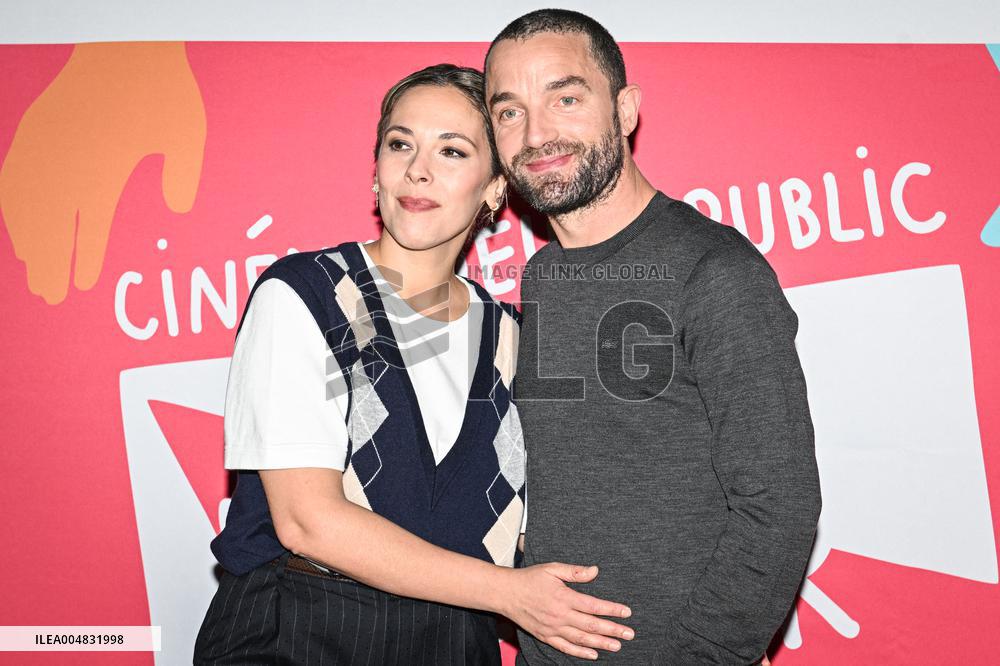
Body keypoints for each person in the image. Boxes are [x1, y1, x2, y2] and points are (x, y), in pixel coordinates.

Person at [193, 63, 635, 665]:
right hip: (300, 631)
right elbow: (306, 522)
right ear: (375, 172)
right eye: (400, 144)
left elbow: (549, 525)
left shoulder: (516, 339)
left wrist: (702, 633)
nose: (417, 169)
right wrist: (509, 594)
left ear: (495, 188)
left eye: (452, 151)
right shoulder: (307, 294)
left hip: (457, 644)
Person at [484, 10, 822, 665]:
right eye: (509, 112)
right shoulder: (545, 274)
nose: (537, 133)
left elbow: (779, 505)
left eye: (567, 98)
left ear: (626, 109)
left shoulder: (714, 270)